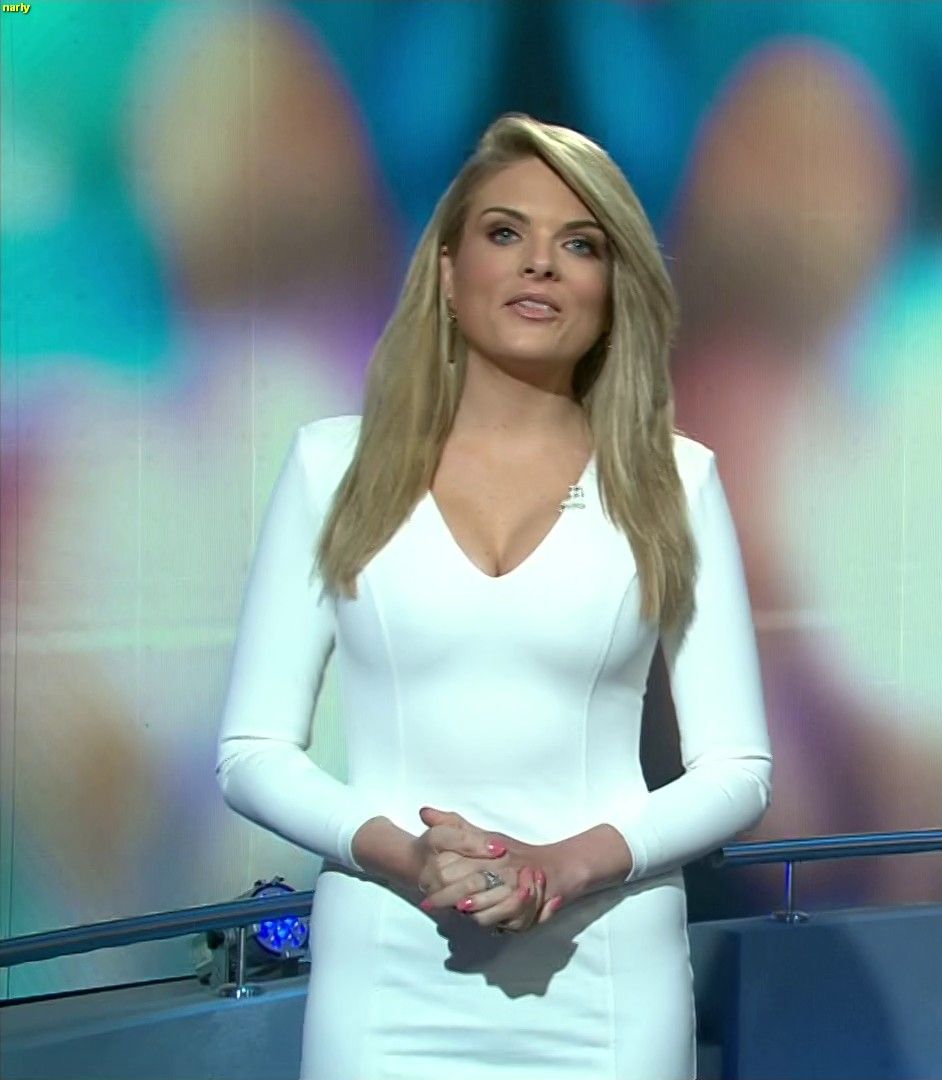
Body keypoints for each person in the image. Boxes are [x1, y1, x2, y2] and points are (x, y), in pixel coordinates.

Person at [214, 113, 772, 1079]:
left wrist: (563, 866)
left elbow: (738, 770)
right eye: (506, 232)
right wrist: (405, 858)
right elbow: (251, 751)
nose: (540, 263)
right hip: (388, 976)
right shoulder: (331, 467)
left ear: (613, 288)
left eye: (580, 244)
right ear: (446, 270)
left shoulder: (676, 483)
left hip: (607, 981)